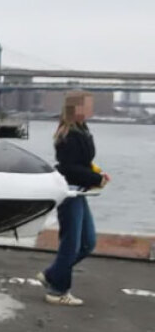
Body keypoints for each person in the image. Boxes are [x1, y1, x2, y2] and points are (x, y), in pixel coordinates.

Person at [36, 91, 109, 307]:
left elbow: (81, 163)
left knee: (87, 243)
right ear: (77, 108)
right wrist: (96, 178)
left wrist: (96, 174)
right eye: (88, 105)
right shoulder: (68, 134)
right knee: (71, 244)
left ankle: (52, 274)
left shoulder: (81, 129)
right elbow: (67, 167)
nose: (91, 109)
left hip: (79, 191)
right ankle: (57, 291)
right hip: (69, 192)